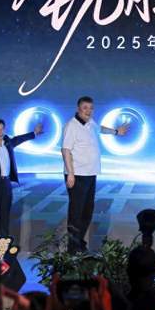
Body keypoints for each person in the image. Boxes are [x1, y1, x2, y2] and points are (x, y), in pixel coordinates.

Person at [61, 96, 128, 253]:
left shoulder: (90, 122)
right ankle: (72, 248)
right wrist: (70, 174)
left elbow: (100, 129)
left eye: (91, 108)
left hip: (90, 174)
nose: (88, 111)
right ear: (78, 109)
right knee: (76, 212)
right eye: (85, 108)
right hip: (77, 175)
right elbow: (65, 150)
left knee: (87, 211)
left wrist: (116, 132)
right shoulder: (72, 126)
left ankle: (79, 242)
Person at [0, 118, 43, 236]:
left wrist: (34, 133)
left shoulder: (8, 143)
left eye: (2, 129)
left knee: (5, 215)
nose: (0, 132)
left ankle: (4, 241)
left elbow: (19, 139)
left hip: (6, 184)